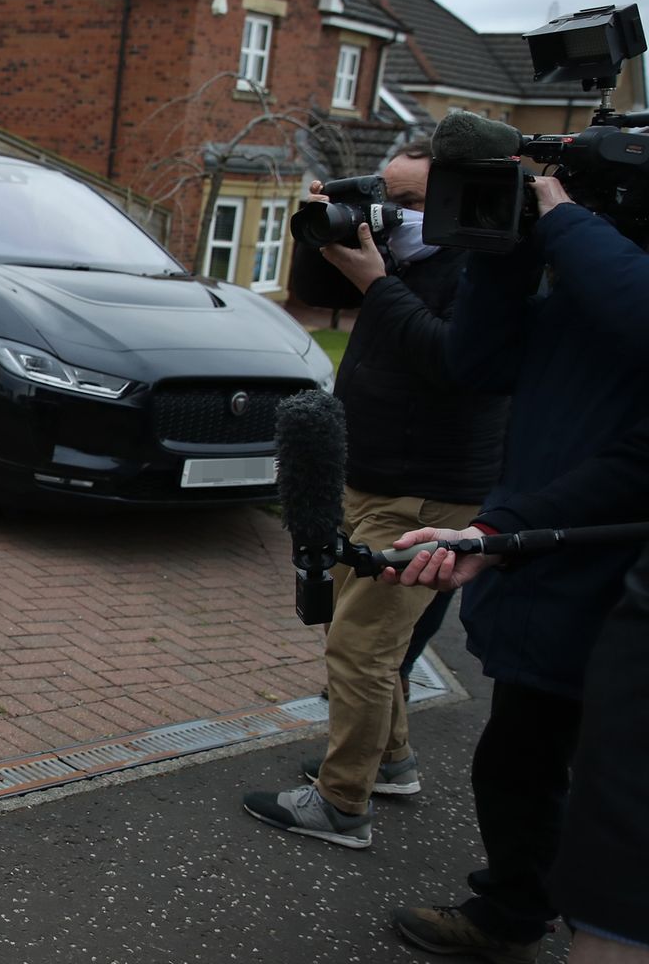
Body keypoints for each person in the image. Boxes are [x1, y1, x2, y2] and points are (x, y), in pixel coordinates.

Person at [376, 170, 649, 962]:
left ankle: (574, 919)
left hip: (610, 575)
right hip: (544, 562)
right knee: (518, 761)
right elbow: (477, 362)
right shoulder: (583, 281)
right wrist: (500, 250)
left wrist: (564, 223)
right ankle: (514, 909)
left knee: (614, 788)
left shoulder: (607, 268)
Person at [242, 145, 507, 849]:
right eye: (382, 194)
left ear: (453, 207)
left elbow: (457, 366)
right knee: (359, 634)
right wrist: (323, 223)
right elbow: (316, 292)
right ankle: (389, 762)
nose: (391, 212)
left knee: (360, 650)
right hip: (368, 470)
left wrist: (381, 284)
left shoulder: (480, 269)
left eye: (410, 201)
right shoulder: (395, 255)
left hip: (426, 493)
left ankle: (341, 804)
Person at [385, 414, 649, 964]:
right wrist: (493, 535)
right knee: (524, 764)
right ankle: (521, 912)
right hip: (586, 596)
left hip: (600, 601)